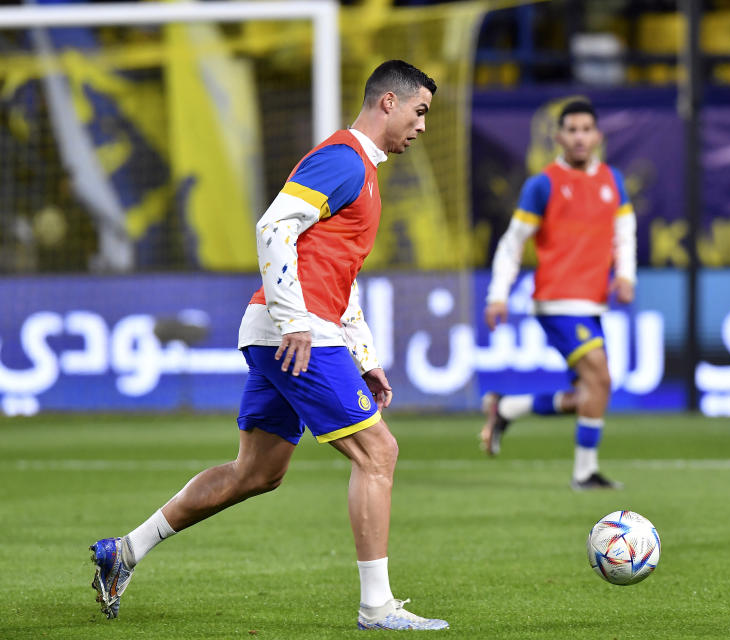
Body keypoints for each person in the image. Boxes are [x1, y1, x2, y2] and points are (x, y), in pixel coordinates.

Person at [88, 60, 449, 631]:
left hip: (289, 331)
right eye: (420, 111)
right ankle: (377, 608)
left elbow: (339, 274)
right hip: (295, 334)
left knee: (256, 473)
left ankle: (124, 551)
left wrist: (366, 358)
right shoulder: (341, 159)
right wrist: (295, 321)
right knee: (379, 454)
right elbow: (272, 227)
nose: (423, 126)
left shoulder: (364, 173)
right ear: (388, 103)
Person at [480, 99, 637, 491]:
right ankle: (584, 472)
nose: (580, 137)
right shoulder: (543, 184)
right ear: (559, 136)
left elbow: (625, 232)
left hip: (594, 300)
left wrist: (626, 275)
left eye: (587, 129)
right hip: (557, 301)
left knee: (589, 392)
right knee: (600, 376)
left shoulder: (612, 181)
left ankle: (507, 407)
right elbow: (512, 243)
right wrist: (497, 295)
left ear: (598, 136)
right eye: (572, 130)